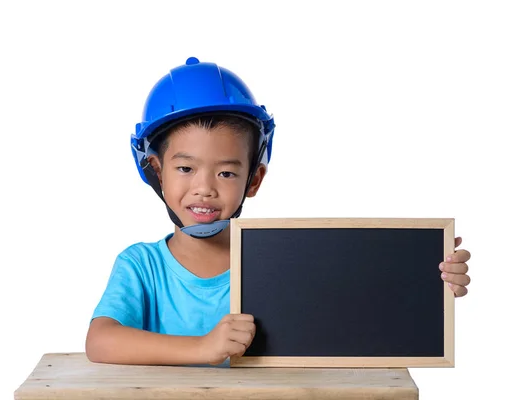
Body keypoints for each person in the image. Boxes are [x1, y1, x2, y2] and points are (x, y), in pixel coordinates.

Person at [85, 57, 472, 366]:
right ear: (156, 172)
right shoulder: (141, 266)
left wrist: (423, 280)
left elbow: (355, 308)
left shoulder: (281, 263)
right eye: (185, 168)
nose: (204, 187)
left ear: (253, 180)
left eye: (226, 172)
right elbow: (100, 340)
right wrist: (202, 347)